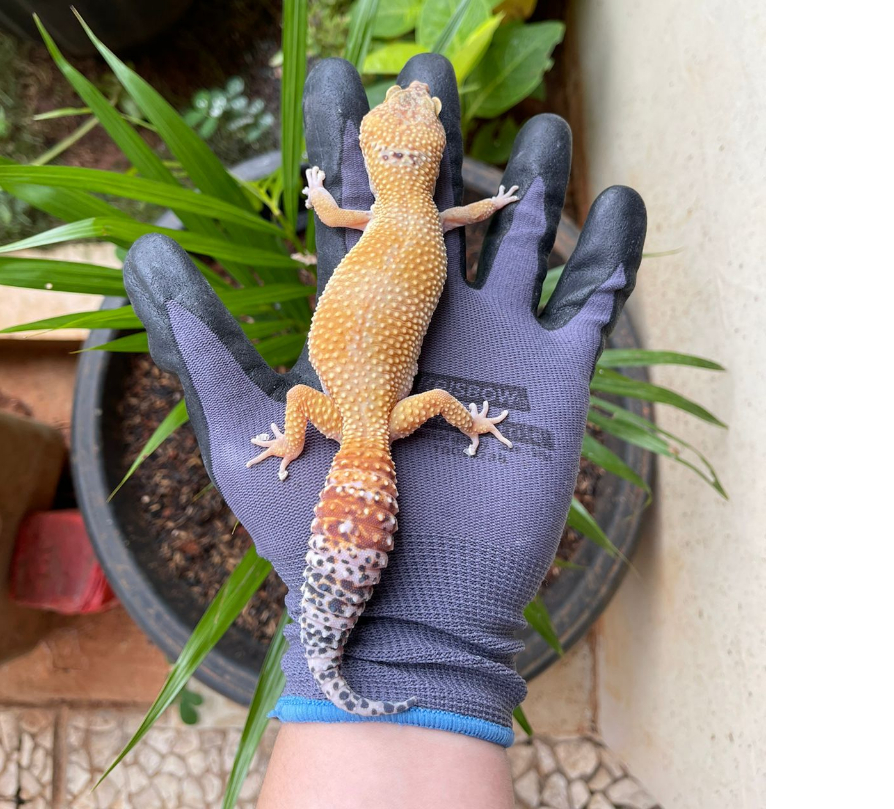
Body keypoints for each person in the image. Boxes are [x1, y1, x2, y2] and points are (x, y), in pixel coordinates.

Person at [124, 55, 646, 807]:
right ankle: (464, 435)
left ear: (376, 156)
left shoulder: (376, 214)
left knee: (411, 401)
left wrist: (289, 440)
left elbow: (336, 217)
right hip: (369, 422)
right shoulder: (428, 215)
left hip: (358, 421)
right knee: (436, 402)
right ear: (427, 161)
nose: (418, 99)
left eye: (420, 110)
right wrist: (492, 210)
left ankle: (343, 658)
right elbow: (458, 217)